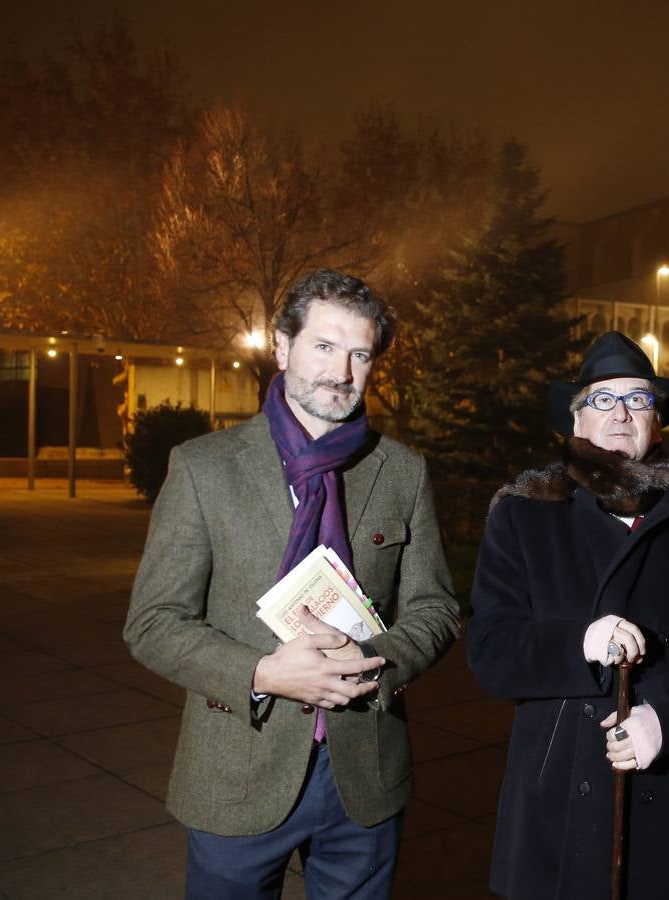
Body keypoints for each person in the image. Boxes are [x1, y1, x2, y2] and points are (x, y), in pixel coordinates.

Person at [124, 269, 460, 899]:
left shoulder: (401, 472)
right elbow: (152, 623)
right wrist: (264, 673)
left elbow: (435, 607)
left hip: (364, 770)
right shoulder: (204, 468)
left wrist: (374, 658)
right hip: (237, 768)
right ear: (281, 346)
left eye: (360, 353)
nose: (342, 371)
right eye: (324, 346)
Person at [466, 331, 669, 900]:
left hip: (664, 783)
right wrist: (578, 644)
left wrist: (666, 718)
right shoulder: (525, 516)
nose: (620, 414)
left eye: (639, 399)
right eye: (601, 399)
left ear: (657, 421)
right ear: (576, 422)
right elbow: (491, 649)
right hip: (554, 792)